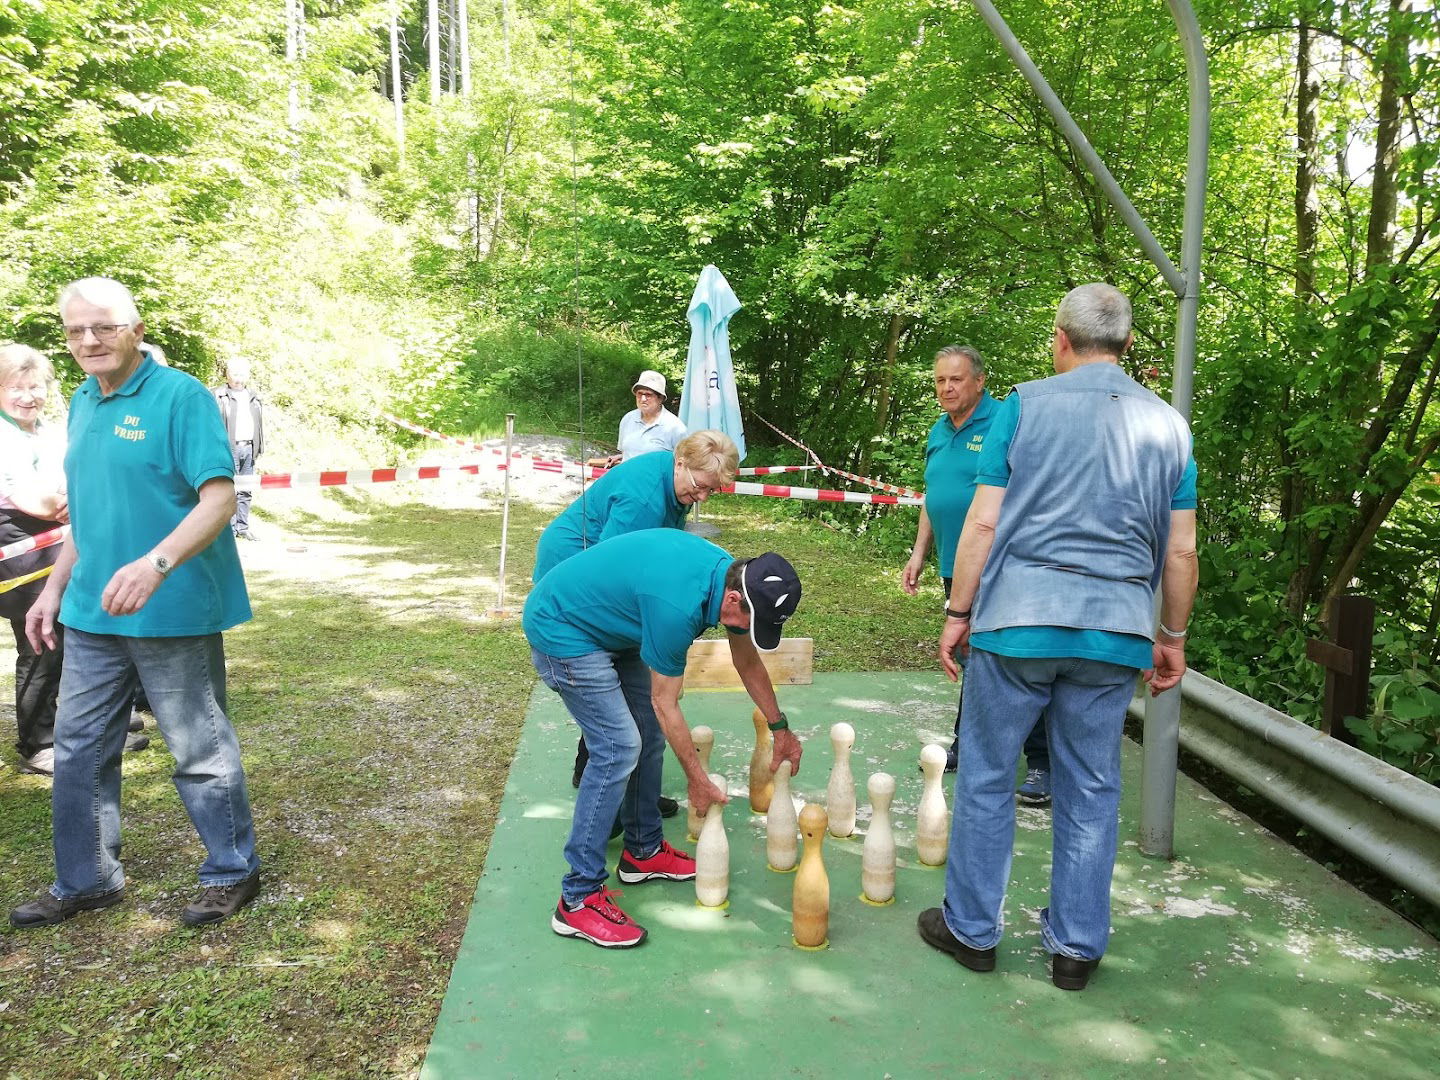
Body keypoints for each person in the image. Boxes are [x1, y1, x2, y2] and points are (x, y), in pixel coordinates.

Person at [918, 283, 1198, 991]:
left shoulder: (1021, 408)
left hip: (1017, 623)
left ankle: (973, 930)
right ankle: (1075, 948)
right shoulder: (1169, 426)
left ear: (1060, 339)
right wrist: (1172, 637)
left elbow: (983, 524)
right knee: (1093, 787)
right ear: (1129, 345)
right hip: (1116, 634)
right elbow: (1181, 553)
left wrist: (958, 614)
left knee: (986, 775)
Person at [9, 277, 262, 930]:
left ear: (137, 331)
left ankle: (232, 870)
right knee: (79, 746)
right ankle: (87, 879)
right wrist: (57, 586)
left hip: (172, 607)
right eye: (75, 330)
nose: (89, 341)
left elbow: (219, 498)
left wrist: (156, 564)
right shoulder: (85, 403)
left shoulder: (181, 398)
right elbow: (89, 517)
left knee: (197, 746)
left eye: (104, 327)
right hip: (92, 612)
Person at [525, 528, 803, 948]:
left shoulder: (730, 578)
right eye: (753, 622)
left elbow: (746, 659)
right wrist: (697, 779)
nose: (751, 631)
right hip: (563, 630)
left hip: (615, 626)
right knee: (619, 747)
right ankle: (578, 899)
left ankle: (642, 850)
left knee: (648, 735)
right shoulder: (678, 606)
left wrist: (780, 727)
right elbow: (665, 702)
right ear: (733, 601)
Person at [535, 430, 740, 808]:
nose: (703, 498)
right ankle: (613, 788)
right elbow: (613, 570)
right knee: (612, 683)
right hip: (570, 568)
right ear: (681, 462)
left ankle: (629, 790)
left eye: (713, 491)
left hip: (596, 569)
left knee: (634, 689)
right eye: (702, 486)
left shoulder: (675, 480)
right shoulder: (643, 501)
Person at [901, 345, 1054, 796]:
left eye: (956, 380)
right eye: (940, 381)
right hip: (956, 565)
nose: (946, 388)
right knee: (973, 657)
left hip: (1001, 564)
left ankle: (1042, 764)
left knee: (1015, 660)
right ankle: (967, 745)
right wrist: (919, 552)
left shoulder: (1006, 421)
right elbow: (934, 495)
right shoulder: (938, 429)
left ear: (979, 381)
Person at [212, 358, 264, 540]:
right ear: (227, 374)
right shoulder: (218, 395)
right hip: (228, 448)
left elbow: (258, 425)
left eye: (241, 374)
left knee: (246, 489)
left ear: (247, 376)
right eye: (234, 373)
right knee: (230, 489)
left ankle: (242, 527)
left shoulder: (254, 397)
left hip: (248, 447)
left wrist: (258, 446)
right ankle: (229, 529)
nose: (238, 378)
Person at [600, 370, 687, 466]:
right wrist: (622, 457)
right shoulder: (628, 419)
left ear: (661, 398)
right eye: (639, 394)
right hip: (627, 478)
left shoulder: (675, 428)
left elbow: (684, 464)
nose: (643, 399)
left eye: (648, 395)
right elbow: (627, 452)